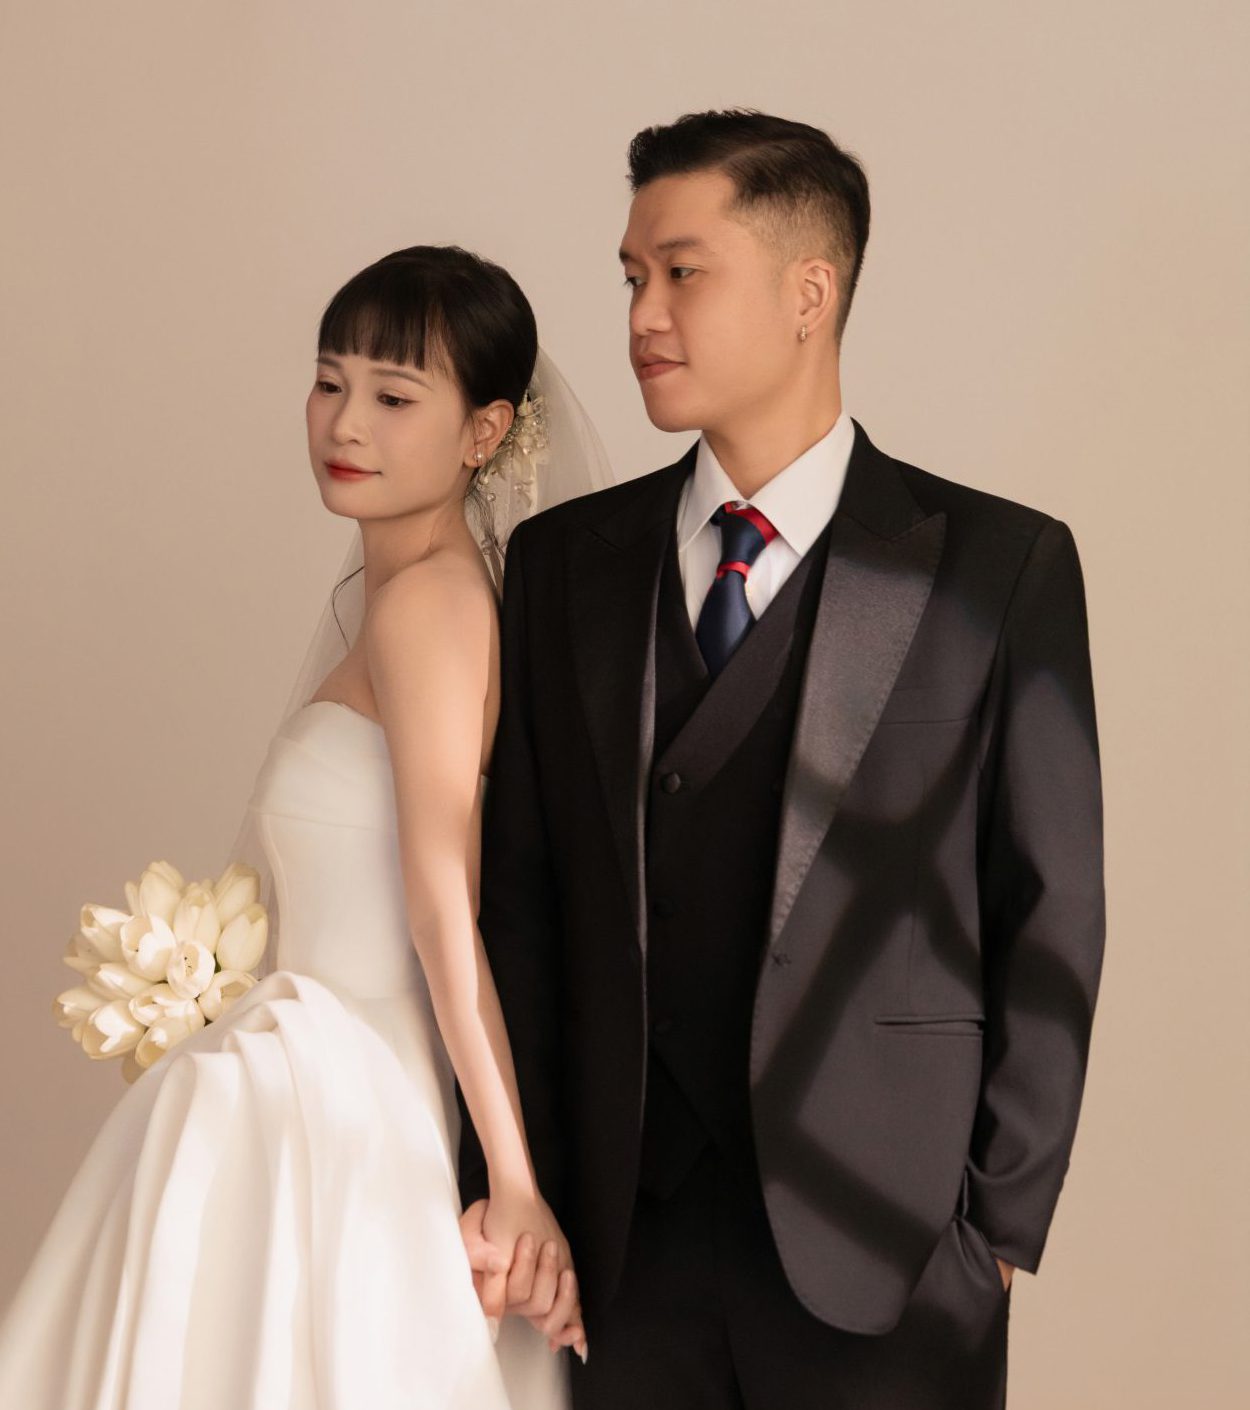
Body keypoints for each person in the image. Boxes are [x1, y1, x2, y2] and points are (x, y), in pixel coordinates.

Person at [459, 110, 1105, 1410]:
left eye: (681, 272)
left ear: (809, 293)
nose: (642, 315)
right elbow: (516, 902)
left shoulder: (995, 567)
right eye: (630, 277)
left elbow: (1051, 907)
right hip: (621, 1253)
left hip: (890, 1249)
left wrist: (993, 1229)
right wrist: (517, 1186)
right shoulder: (563, 565)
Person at [0, 244, 607, 1408]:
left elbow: (443, 913)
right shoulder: (402, 595)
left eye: (394, 396)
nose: (346, 422)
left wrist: (516, 1182)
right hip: (318, 1067)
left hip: (341, 1088)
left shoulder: (430, 602)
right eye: (330, 381)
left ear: (483, 432)